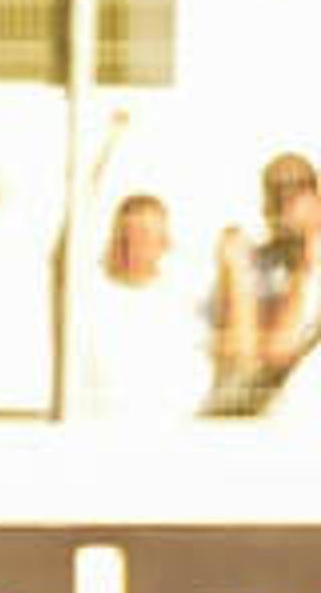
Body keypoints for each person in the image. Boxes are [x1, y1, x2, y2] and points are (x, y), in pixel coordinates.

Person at [81, 192, 213, 421]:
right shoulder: (85, 296)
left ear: (165, 242)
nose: (134, 245)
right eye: (127, 236)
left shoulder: (185, 298)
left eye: (144, 235)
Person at [210, 151, 321, 418]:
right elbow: (243, 355)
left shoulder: (306, 263)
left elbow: (277, 349)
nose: (279, 209)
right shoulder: (271, 261)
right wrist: (238, 273)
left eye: (292, 195)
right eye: (275, 197)